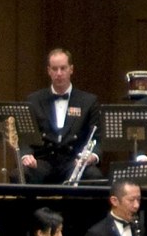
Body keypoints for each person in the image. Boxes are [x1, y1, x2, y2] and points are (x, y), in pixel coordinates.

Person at [21, 47, 100, 181]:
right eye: (54, 69)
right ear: (48, 71)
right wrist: (26, 155)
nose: (59, 73)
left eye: (63, 68)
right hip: (43, 161)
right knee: (20, 175)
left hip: (74, 162)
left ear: (71, 69)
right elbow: (25, 135)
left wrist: (92, 156)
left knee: (93, 176)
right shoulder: (33, 100)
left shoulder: (89, 101)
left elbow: (97, 137)